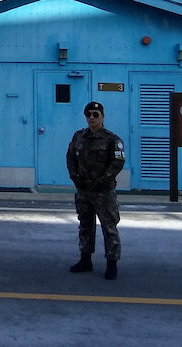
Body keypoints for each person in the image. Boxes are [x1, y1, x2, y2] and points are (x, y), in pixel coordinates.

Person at [66, 101, 126, 280]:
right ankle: (85, 259)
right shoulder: (78, 137)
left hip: (103, 192)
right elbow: (70, 158)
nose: (91, 118)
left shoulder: (112, 140)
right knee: (85, 225)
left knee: (109, 227)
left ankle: (112, 263)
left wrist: (101, 180)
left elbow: (117, 163)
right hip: (84, 190)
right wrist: (75, 177)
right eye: (88, 114)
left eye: (95, 114)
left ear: (102, 116)